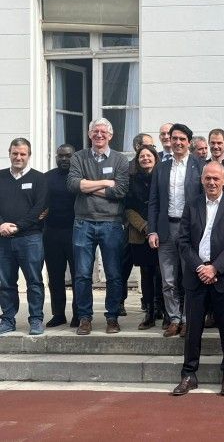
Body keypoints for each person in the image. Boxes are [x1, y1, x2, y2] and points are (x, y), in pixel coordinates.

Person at [172, 161, 224, 396]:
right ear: (202, 180)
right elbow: (183, 241)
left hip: (223, 278)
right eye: (208, 178)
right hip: (196, 278)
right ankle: (188, 375)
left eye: (216, 178)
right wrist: (200, 267)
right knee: (193, 330)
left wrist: (215, 268)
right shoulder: (192, 205)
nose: (212, 182)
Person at [66, 119, 129, 335]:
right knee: (82, 274)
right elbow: (74, 185)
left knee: (113, 273)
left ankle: (112, 317)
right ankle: (85, 318)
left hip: (112, 223)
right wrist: (104, 182)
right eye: (95, 131)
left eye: (103, 132)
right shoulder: (78, 157)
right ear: (89, 134)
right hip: (83, 222)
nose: (99, 135)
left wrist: (88, 185)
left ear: (110, 135)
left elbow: (120, 191)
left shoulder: (120, 159)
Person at [148, 123, 204, 337]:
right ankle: (174, 318)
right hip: (166, 228)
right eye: (174, 138)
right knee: (168, 279)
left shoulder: (199, 166)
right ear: (169, 141)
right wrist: (152, 230)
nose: (178, 142)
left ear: (189, 142)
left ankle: (189, 319)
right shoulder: (161, 167)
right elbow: (153, 202)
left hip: (190, 229)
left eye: (182, 139)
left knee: (189, 277)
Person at [0, 138, 48, 336]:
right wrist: (1, 224)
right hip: (3, 239)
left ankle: (36, 320)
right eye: (15, 153)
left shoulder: (39, 179)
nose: (18, 157)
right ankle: (8, 320)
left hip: (31, 239)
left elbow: (40, 208)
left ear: (29, 155)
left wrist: (17, 227)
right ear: (9, 153)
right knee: (5, 282)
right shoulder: (0, 177)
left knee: (34, 281)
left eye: (23, 154)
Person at [125, 145, 162, 330]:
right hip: (140, 234)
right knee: (146, 274)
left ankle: (163, 310)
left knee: (162, 273)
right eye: (142, 156)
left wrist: (156, 227)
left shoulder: (163, 177)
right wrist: (145, 226)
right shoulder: (132, 180)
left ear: (155, 158)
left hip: (161, 233)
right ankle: (149, 311)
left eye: (149, 155)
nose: (145, 158)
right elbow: (128, 208)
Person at [43, 144, 78, 328]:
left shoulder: (80, 177)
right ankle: (58, 314)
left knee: (78, 275)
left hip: (75, 232)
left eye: (68, 156)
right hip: (51, 233)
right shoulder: (47, 177)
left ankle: (79, 314)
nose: (64, 159)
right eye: (60, 156)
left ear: (74, 156)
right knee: (55, 276)